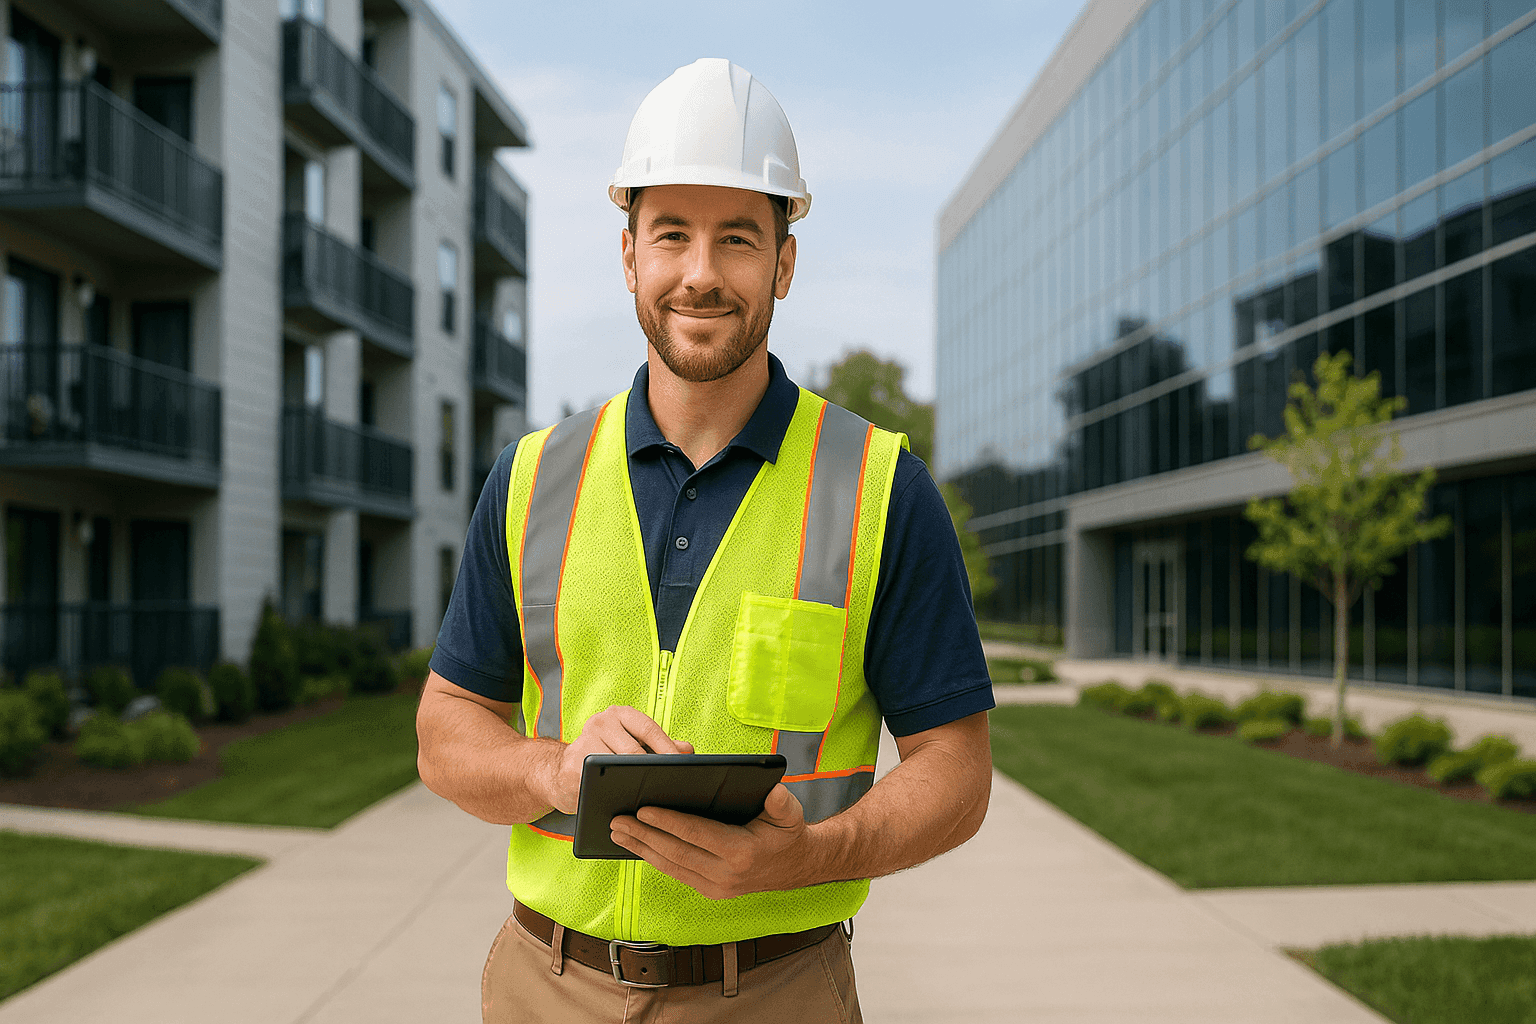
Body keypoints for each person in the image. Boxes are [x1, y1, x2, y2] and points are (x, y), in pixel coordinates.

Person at [416, 57, 995, 1024]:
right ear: (630, 254)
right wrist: (551, 769)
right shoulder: (530, 479)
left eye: (737, 237)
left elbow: (957, 773)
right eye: (671, 234)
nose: (700, 273)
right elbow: (445, 735)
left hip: (775, 992)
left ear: (784, 260)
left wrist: (807, 857)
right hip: (545, 986)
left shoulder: (881, 489)